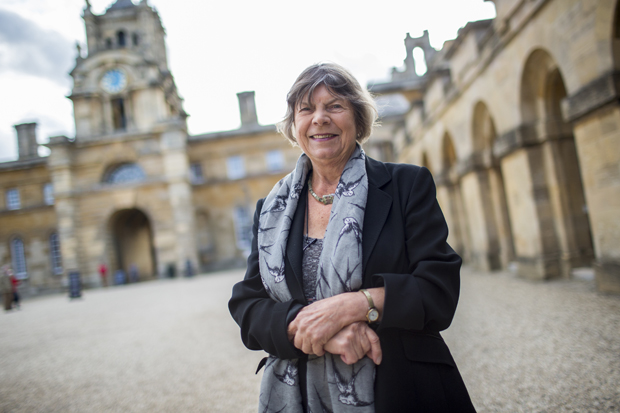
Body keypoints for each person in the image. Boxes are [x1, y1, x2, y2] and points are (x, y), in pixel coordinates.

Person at [228, 63, 475, 412]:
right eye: (306, 109)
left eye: (335, 106)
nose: (320, 118)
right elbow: (248, 305)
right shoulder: (271, 210)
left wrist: (356, 306)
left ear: (358, 119)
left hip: (402, 388)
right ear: (294, 126)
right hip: (301, 395)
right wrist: (321, 332)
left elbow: (439, 290)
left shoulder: (406, 185)